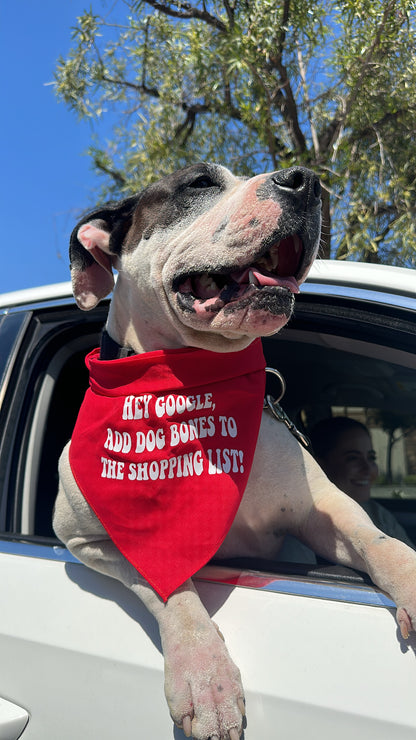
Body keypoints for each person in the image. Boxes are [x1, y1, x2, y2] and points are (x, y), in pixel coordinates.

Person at [309, 416, 414, 548]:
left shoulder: (378, 514)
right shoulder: (303, 524)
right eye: (353, 458)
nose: (368, 468)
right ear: (320, 466)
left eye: (371, 457)